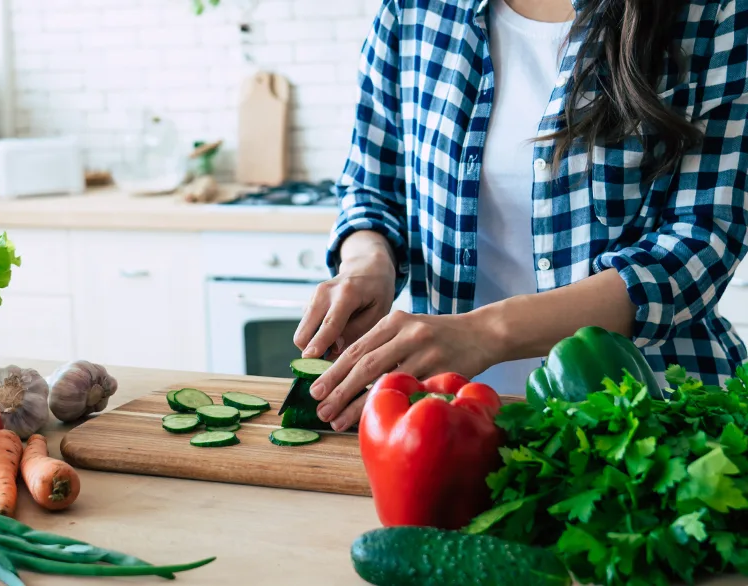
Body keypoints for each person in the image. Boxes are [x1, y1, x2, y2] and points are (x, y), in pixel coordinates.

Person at [294, 0, 748, 432]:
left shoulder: (715, 13)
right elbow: (372, 188)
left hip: (651, 412)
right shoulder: (413, 10)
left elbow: (701, 241)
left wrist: (485, 333)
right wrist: (368, 265)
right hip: (444, 419)